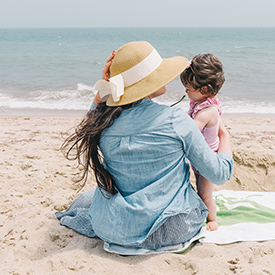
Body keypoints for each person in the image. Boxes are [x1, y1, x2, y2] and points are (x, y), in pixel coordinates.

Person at [56, 41, 233, 255]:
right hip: (169, 230)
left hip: (114, 227)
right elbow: (220, 174)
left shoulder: (102, 122)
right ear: (147, 82)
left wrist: (101, 92)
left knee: (87, 201)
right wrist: (225, 136)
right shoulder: (175, 120)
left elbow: (90, 121)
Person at [180, 53, 225, 231]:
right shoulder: (203, 103)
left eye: (188, 88)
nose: (186, 91)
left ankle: (212, 219)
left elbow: (190, 131)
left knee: (205, 194)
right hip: (199, 159)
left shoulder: (207, 112)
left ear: (205, 90)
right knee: (200, 188)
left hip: (207, 162)